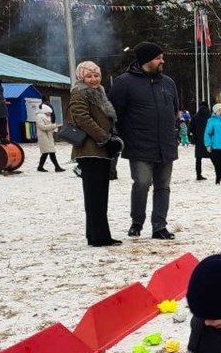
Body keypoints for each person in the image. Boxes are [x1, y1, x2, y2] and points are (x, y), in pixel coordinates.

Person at [109, 41, 179, 239]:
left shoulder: (168, 83)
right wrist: (125, 136)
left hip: (165, 145)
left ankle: (159, 226)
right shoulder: (124, 83)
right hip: (139, 146)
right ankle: (136, 222)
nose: (162, 61)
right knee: (141, 184)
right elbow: (115, 114)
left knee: (163, 187)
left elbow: (174, 110)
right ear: (146, 60)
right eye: (158, 58)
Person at [69, 61, 124, 247]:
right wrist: (104, 138)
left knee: (99, 194)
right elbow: (82, 118)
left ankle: (95, 234)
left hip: (100, 151)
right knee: (95, 195)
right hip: (90, 150)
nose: (93, 79)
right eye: (89, 76)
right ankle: (99, 236)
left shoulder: (99, 92)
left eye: (96, 75)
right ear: (81, 77)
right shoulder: (79, 92)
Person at [34, 104, 65, 172]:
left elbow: (48, 126)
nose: (49, 114)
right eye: (49, 113)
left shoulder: (45, 117)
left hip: (48, 136)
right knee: (51, 152)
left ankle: (40, 167)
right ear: (45, 111)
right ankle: (57, 167)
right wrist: (54, 126)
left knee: (46, 153)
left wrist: (55, 128)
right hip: (44, 137)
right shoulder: (39, 117)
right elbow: (42, 127)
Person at [190, 103, 211, 181]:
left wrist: (193, 137)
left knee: (198, 159)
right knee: (214, 157)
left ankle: (198, 175)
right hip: (209, 139)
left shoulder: (195, 117)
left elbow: (191, 128)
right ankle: (218, 173)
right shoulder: (210, 116)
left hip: (198, 140)